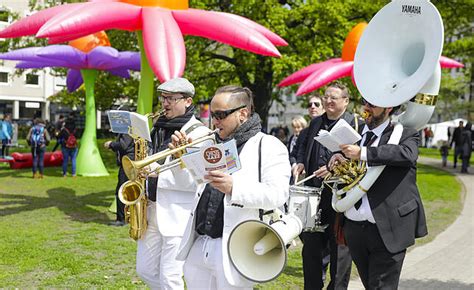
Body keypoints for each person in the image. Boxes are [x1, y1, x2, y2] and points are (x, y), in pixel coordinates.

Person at [176, 85, 291, 289]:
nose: (214, 121)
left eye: (220, 115)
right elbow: (197, 187)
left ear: (243, 114)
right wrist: (182, 160)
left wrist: (234, 187)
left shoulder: (269, 145)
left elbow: (278, 194)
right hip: (199, 242)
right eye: (212, 115)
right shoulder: (212, 143)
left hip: (235, 246)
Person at [328, 98, 427, 289]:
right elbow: (345, 170)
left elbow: (407, 154)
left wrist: (362, 153)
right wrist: (336, 159)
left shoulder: (406, 134)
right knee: (370, 284)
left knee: (381, 286)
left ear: (388, 107)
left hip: (388, 227)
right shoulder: (355, 134)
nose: (366, 108)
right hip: (355, 227)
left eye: (372, 105)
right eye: (364, 103)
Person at [135, 77, 212, 289]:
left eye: (170, 98)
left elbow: (197, 180)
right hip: (151, 208)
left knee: (170, 277)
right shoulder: (158, 128)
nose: (164, 103)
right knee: (145, 270)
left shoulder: (201, 133)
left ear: (187, 101)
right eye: (162, 98)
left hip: (178, 213)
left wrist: (158, 173)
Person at [292, 83, 357, 290]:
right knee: (310, 249)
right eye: (326, 97)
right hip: (314, 197)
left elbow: (360, 163)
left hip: (341, 200)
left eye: (334, 98)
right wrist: (300, 161)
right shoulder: (315, 122)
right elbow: (302, 145)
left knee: (340, 252)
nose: (328, 101)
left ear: (345, 101)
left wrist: (334, 171)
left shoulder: (355, 123)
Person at [104, 133, 135, 226]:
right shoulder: (130, 128)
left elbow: (123, 145)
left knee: (121, 191)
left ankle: (122, 219)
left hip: (127, 163)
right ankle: (126, 217)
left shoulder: (127, 130)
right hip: (128, 162)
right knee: (125, 191)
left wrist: (111, 144)